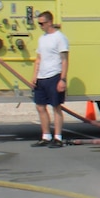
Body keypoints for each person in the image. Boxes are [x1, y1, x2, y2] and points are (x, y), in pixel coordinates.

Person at [31, 10, 70, 148]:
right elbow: (38, 59)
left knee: (56, 106)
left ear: (49, 22)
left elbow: (64, 60)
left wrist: (62, 79)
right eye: (39, 23)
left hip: (54, 75)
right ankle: (46, 136)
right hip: (42, 77)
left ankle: (58, 137)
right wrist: (34, 76)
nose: (40, 26)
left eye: (42, 23)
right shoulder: (42, 38)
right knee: (40, 106)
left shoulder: (60, 38)